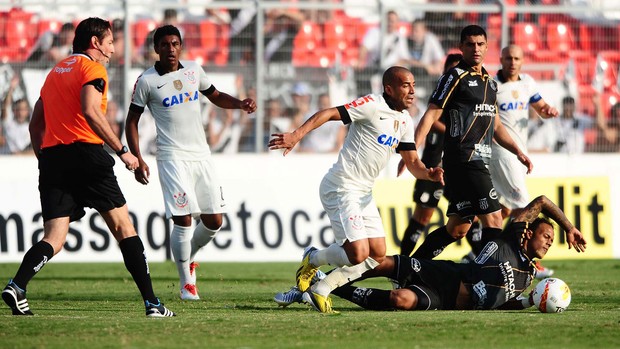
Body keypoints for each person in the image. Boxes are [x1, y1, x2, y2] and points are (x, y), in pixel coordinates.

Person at [1, 17, 175, 317]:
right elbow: (91, 111)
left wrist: (48, 162)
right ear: (95, 43)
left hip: (53, 158)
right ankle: (152, 303)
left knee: (54, 238)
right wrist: (123, 152)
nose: (112, 48)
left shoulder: (55, 72)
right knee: (124, 228)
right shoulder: (92, 68)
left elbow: (35, 125)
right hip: (87, 155)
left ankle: (17, 285)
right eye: (109, 42)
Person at [268, 66, 444, 313]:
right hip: (341, 186)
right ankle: (313, 259)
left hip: (363, 193)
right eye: (406, 85)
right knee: (358, 252)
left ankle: (321, 289)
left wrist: (428, 173)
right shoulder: (372, 104)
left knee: (377, 256)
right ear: (389, 89)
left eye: (413, 85)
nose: (412, 91)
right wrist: (297, 135)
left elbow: (412, 161)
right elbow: (329, 113)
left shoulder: (405, 120)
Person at [125, 25, 257, 301]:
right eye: (164, 44)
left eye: (175, 44)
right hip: (172, 157)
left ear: (181, 47)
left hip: (201, 156)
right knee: (183, 219)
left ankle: (189, 258)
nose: (170, 49)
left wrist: (240, 104)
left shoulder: (194, 71)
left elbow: (216, 96)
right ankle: (187, 283)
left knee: (214, 221)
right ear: (156, 49)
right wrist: (137, 158)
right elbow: (131, 121)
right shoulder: (146, 81)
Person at [275, 195, 587, 310]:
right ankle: (325, 278)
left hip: (449, 302)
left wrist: (532, 301)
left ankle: (323, 287)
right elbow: (543, 202)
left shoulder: (531, 275)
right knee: (383, 263)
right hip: (448, 275)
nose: (549, 242)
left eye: (553, 239)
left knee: (401, 300)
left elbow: (503, 303)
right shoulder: (512, 235)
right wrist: (570, 226)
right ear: (530, 233)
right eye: (547, 236)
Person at [409, 25, 533, 260]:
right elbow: (431, 114)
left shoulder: (490, 82)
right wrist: (412, 151)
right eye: (470, 44)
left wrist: (518, 151)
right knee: (494, 219)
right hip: (465, 159)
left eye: (480, 44)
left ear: (487, 47)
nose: (475, 48)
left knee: (457, 229)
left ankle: (409, 269)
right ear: (461, 47)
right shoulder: (455, 76)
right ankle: (490, 280)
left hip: (478, 161)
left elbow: (496, 126)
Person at [489, 44, 559, 278]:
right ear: (501, 59)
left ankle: (484, 245)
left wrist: (547, 110)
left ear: (522, 60)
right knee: (524, 206)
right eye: (508, 58)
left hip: (520, 154)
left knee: (503, 210)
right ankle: (523, 258)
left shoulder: (527, 83)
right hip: (502, 152)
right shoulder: (492, 85)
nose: (512, 62)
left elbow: (540, 108)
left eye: (516, 58)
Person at [399, 53, 462, 257]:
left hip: (459, 165)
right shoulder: (440, 92)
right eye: (450, 70)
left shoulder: (468, 95)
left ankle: (477, 260)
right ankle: (403, 261)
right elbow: (429, 120)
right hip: (433, 164)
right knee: (423, 217)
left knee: (467, 216)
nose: (454, 74)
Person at [406, 19, 445, 100]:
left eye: (416, 30)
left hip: (426, 76)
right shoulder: (405, 40)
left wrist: (435, 67)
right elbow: (402, 60)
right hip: (410, 73)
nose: (414, 33)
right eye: (412, 30)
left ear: (424, 31)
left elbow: (440, 59)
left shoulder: (431, 39)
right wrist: (425, 66)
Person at [1, 74, 31, 154]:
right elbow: (6, 106)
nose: (21, 112)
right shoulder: (9, 124)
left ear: (28, 111)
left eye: (24, 109)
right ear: (14, 111)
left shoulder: (31, 128)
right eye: (18, 109)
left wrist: (20, 155)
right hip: (7, 160)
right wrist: (11, 88)